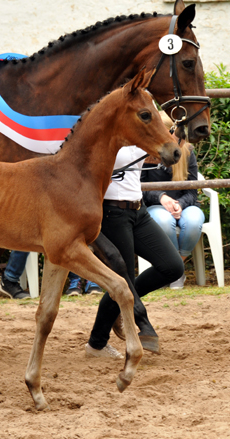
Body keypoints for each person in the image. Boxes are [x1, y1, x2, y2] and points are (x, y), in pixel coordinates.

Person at [85, 145, 185, 359]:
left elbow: (159, 154)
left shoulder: (137, 132)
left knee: (172, 267)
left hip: (139, 210)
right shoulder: (107, 133)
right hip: (111, 212)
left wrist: (176, 137)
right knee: (124, 279)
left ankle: (120, 302)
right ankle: (96, 344)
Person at [141, 143, 205, 289]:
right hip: (155, 205)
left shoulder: (187, 152)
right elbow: (139, 187)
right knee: (164, 222)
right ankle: (174, 270)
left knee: (194, 222)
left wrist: (180, 204)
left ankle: (175, 269)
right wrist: (161, 197)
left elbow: (192, 190)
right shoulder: (145, 152)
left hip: (186, 205)